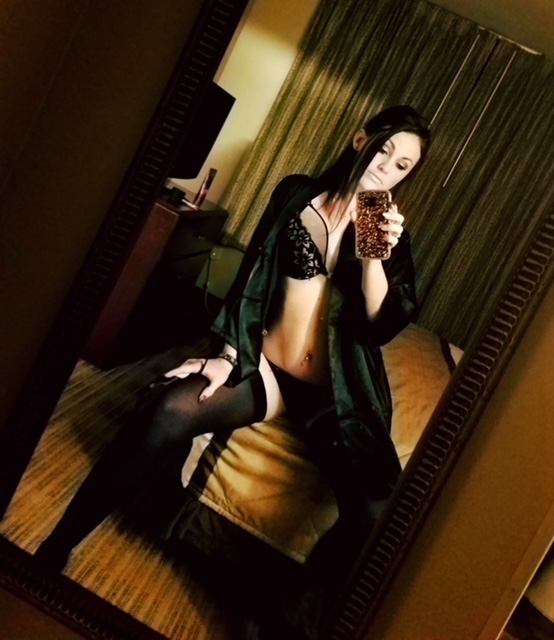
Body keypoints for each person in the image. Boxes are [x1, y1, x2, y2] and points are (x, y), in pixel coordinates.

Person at [35, 105, 431, 579]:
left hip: (333, 393)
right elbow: (253, 277)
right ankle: (57, 545)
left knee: (377, 511)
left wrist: (374, 260)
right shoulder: (295, 194)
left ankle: (290, 611)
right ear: (360, 139)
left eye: (402, 165)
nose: (386, 168)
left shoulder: (388, 237)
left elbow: (380, 327)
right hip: (268, 367)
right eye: (383, 150)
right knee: (170, 408)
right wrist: (228, 353)